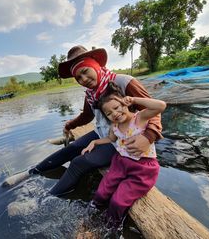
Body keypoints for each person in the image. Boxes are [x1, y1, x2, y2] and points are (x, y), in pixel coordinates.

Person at [28, 45, 163, 196]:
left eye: (85, 71)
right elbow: (87, 116)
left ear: (95, 65)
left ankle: (49, 198)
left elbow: (154, 111)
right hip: (104, 134)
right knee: (71, 149)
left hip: (124, 140)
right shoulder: (91, 94)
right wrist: (69, 125)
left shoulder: (124, 82)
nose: (84, 79)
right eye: (78, 77)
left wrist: (148, 136)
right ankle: (32, 172)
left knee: (78, 163)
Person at [82, 81, 166, 228]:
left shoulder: (140, 118)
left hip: (143, 169)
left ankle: (111, 226)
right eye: (109, 113)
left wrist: (134, 99)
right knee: (101, 192)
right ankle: (92, 213)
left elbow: (161, 106)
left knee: (118, 201)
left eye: (117, 107)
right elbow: (110, 139)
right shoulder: (114, 126)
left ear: (125, 103)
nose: (114, 113)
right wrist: (94, 142)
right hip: (120, 163)